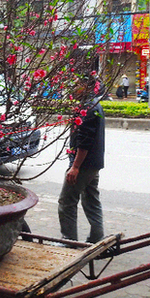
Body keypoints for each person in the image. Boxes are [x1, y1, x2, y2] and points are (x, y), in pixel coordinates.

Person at [58, 78, 105, 244]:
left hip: (84, 165)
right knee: (91, 199)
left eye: (77, 84)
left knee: (67, 201)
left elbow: (85, 141)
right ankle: (97, 237)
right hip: (93, 164)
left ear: (86, 86)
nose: (73, 87)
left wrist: (75, 167)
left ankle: (69, 240)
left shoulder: (88, 108)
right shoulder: (93, 104)